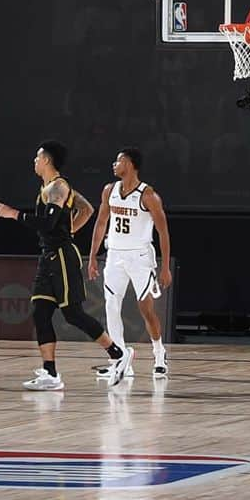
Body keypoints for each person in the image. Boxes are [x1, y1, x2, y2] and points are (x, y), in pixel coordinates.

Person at [0, 141, 133, 391]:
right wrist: (68, 229)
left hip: (62, 256)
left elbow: (47, 223)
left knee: (72, 313)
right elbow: (86, 208)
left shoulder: (59, 186)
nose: (34, 161)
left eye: (37, 157)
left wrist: (13, 214)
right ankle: (50, 373)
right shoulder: (50, 187)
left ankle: (117, 354)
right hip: (48, 255)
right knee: (40, 310)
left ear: (46, 160)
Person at [87, 147, 173, 379]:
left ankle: (159, 351)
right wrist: (93, 255)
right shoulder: (109, 191)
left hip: (140, 257)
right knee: (110, 305)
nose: (114, 164)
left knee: (145, 309)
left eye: (119, 160)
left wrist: (164, 267)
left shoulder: (148, 195)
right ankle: (120, 358)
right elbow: (101, 223)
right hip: (114, 254)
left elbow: (163, 232)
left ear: (131, 164)